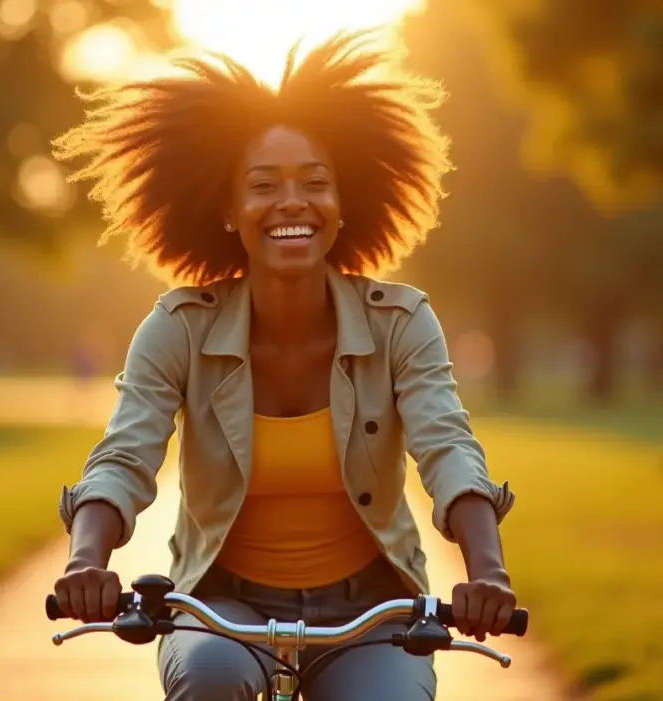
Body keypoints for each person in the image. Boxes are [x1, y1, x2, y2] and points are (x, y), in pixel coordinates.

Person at [50, 29, 518, 701]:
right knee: (210, 676)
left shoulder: (401, 323)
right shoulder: (179, 326)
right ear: (228, 209)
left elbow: (447, 445)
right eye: (264, 185)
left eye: (315, 183)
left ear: (342, 202)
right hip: (222, 606)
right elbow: (125, 454)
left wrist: (488, 573)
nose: (292, 202)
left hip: (371, 612)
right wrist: (85, 561)